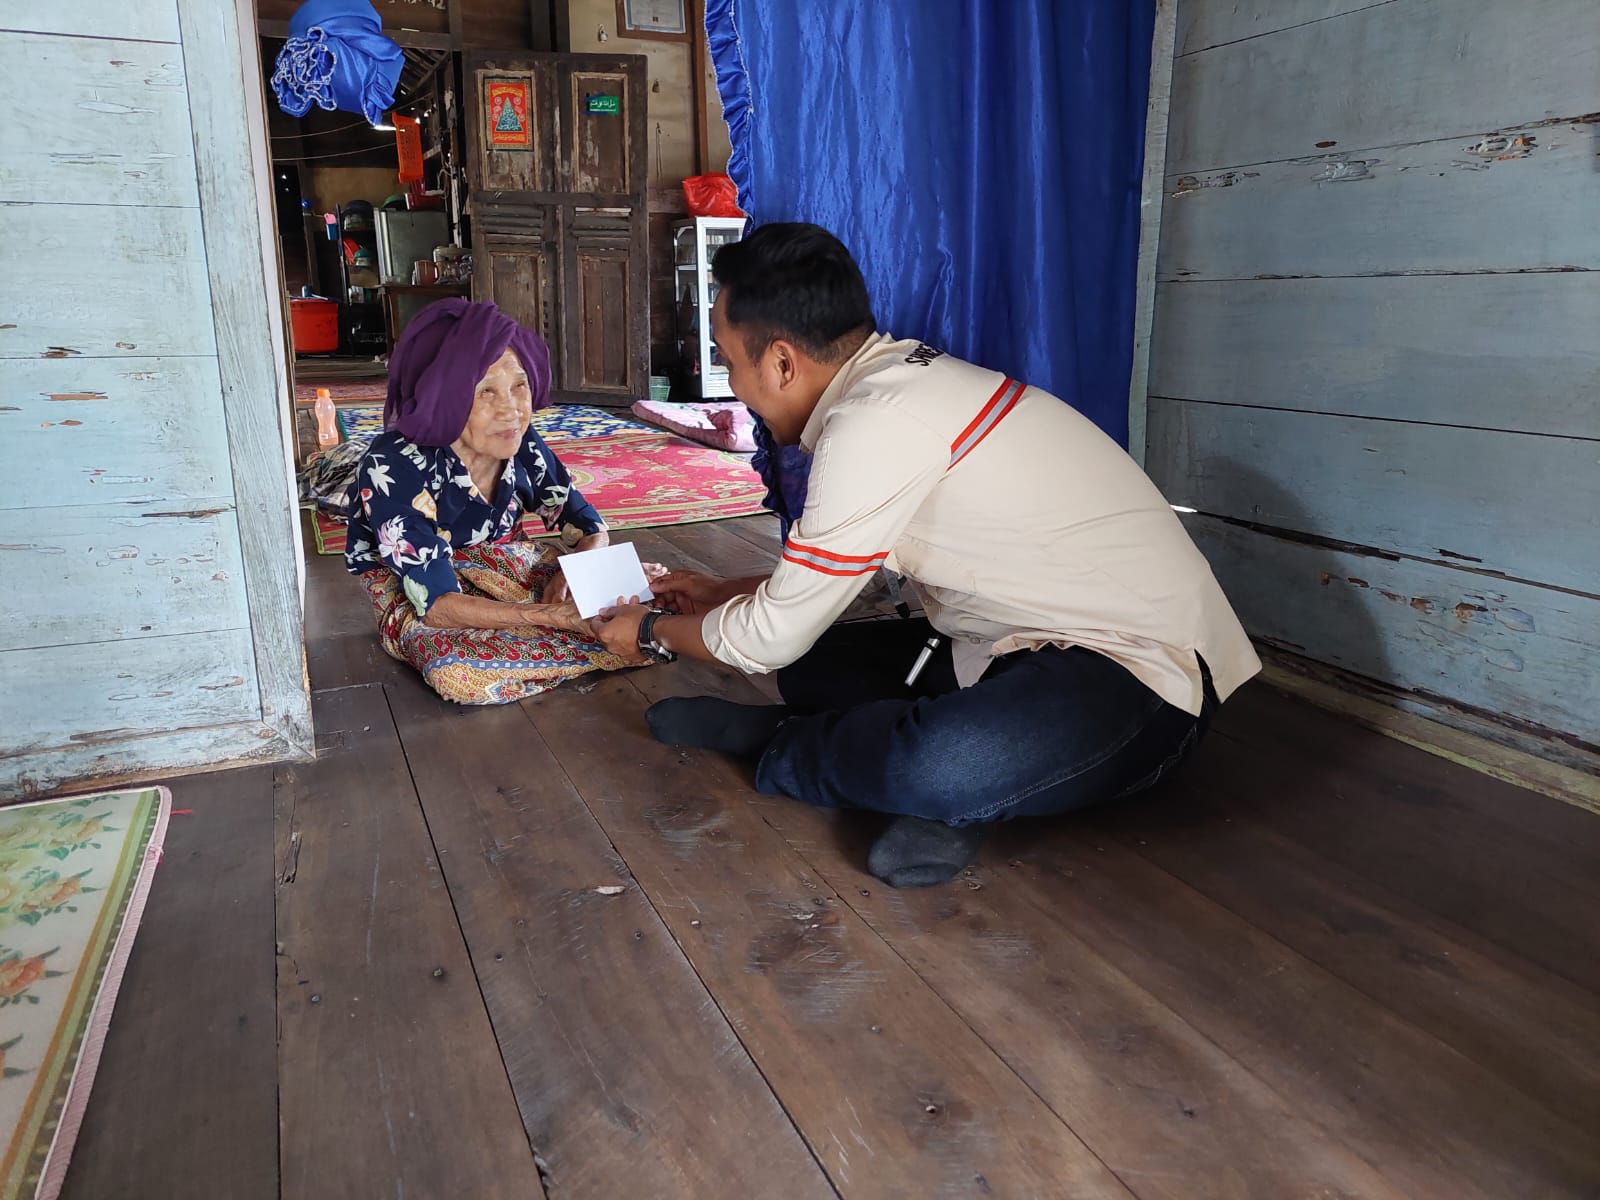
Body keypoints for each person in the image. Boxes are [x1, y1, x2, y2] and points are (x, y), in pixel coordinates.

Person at [591, 223, 1261, 886]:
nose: (734, 385)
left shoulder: (874, 423)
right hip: (1009, 641)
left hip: (1143, 678)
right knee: (817, 663)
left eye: (731, 361)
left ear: (783, 362)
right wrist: (726, 591)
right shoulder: (896, 383)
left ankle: (791, 747)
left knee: (934, 762)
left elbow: (767, 641)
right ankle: (955, 790)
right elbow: (863, 579)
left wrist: (651, 630)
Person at [345, 299, 650, 704]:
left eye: (519, 386)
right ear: (444, 396)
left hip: (508, 567)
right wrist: (558, 617)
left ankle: (595, 638)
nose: (511, 409)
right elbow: (435, 604)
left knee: (643, 600)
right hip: (419, 595)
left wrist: (579, 569)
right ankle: (618, 642)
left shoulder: (519, 442)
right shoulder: (392, 464)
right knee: (455, 671)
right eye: (485, 390)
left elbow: (585, 523)